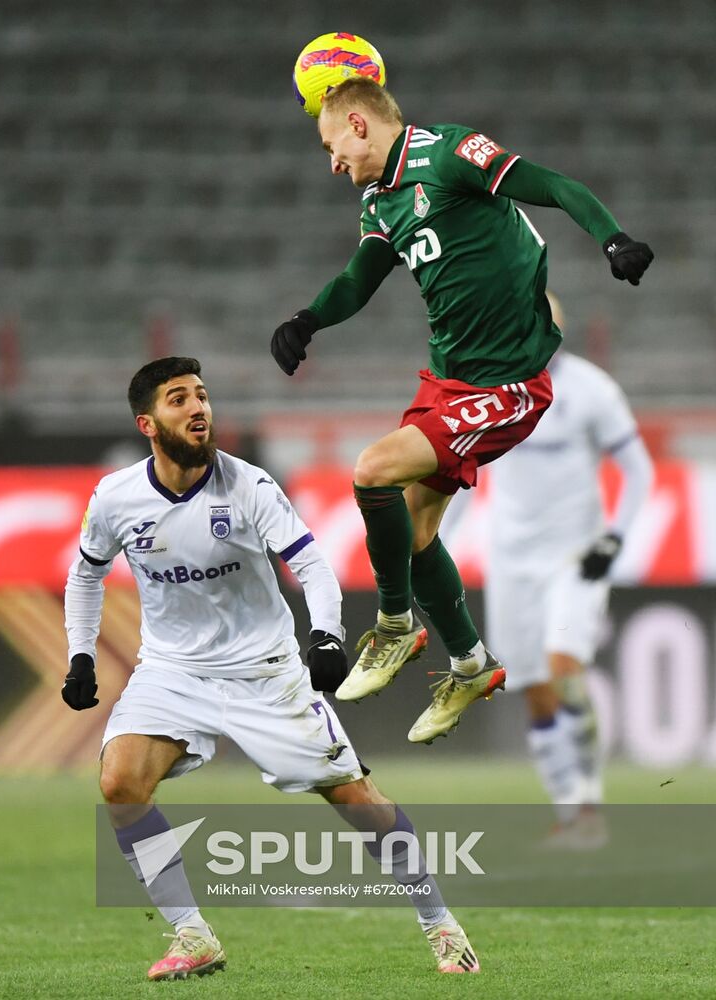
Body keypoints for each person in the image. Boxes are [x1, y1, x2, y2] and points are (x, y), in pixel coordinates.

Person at [62, 356, 479, 980]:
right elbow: (86, 572)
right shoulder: (116, 496)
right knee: (120, 783)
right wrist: (80, 655)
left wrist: (326, 639)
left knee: (356, 800)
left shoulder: (249, 485)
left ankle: (443, 928)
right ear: (148, 423)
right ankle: (192, 936)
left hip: (265, 671)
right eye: (180, 399)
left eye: (202, 395)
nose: (199, 407)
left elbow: (311, 565)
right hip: (173, 672)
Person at [270, 76, 653, 745]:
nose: (331, 163)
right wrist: (309, 319)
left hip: (507, 384)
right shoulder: (379, 201)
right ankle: (471, 664)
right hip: (448, 381)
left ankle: (395, 626)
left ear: (359, 125)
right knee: (415, 532)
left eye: (332, 145)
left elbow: (553, 184)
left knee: (372, 471)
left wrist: (612, 237)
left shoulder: (448, 154)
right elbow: (361, 278)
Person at [485, 295, 653, 844]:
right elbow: (456, 469)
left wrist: (614, 537)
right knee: (533, 687)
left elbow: (638, 470)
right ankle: (569, 811)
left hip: (573, 557)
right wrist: (429, 533)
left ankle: (588, 809)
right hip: (510, 559)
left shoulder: (589, 389)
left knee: (563, 666)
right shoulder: (483, 391)